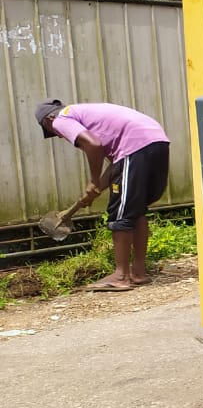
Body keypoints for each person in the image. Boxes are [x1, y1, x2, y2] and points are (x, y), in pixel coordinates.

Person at [35, 99, 170, 291]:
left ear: (48, 120)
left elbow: (94, 145)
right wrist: (96, 188)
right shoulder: (88, 114)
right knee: (135, 209)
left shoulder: (60, 118)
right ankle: (138, 273)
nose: (58, 136)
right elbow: (116, 165)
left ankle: (120, 276)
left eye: (52, 132)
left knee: (119, 215)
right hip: (156, 140)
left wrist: (92, 180)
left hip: (135, 145)